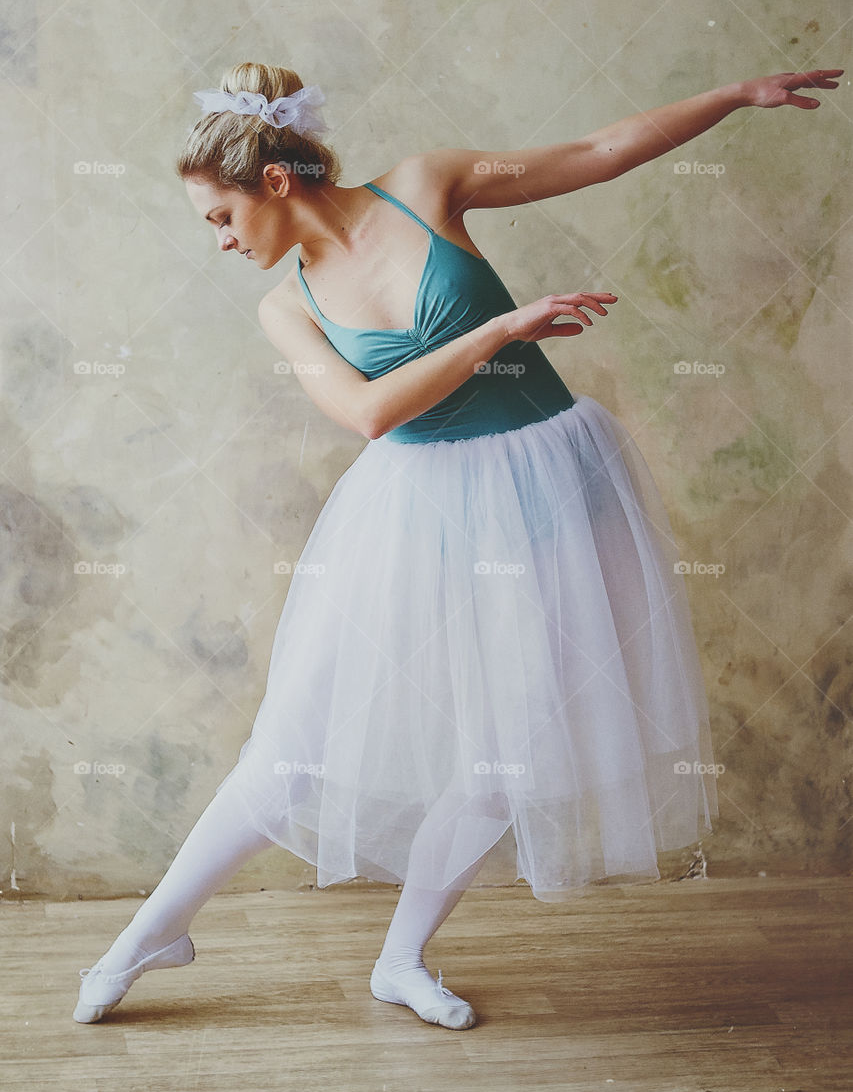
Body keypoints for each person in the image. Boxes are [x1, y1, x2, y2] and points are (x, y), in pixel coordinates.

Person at [73, 62, 842, 1031]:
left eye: (220, 218)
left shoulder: (429, 183)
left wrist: (730, 97)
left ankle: (401, 957)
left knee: (508, 748)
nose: (220, 243)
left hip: (556, 480)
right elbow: (366, 413)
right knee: (292, 750)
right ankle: (147, 932)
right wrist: (499, 331)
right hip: (418, 509)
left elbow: (595, 152)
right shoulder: (287, 304)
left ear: (273, 181)